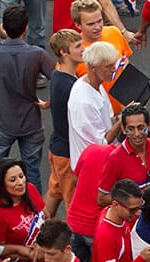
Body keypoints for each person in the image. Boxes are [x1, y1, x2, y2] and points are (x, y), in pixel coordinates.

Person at [0, 5, 53, 192]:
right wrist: (49, 102)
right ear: (26, 28)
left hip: (2, 123)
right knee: (32, 170)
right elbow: (60, 78)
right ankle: (34, 211)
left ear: (4, 27)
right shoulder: (37, 53)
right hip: (31, 122)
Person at [45, 29, 84, 217]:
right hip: (68, 154)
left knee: (54, 193)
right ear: (63, 52)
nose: (83, 49)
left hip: (57, 148)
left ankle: (37, 232)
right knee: (73, 204)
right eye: (77, 46)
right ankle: (72, 245)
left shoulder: (58, 74)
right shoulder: (69, 86)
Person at [72, 0, 134, 115]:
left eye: (99, 21)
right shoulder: (74, 53)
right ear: (77, 25)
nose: (97, 27)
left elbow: (125, 64)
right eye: (91, 24)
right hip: (96, 115)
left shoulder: (114, 32)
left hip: (124, 110)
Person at [67, 42, 121, 170]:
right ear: (93, 68)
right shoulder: (84, 101)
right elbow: (100, 143)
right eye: (108, 66)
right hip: (92, 168)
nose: (114, 69)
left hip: (102, 162)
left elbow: (108, 119)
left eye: (114, 64)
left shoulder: (97, 85)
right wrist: (122, 120)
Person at [96, 104, 150, 205]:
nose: (137, 134)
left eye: (141, 127)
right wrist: (129, 198)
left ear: (149, 126)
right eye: (131, 129)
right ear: (123, 129)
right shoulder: (115, 158)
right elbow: (101, 199)